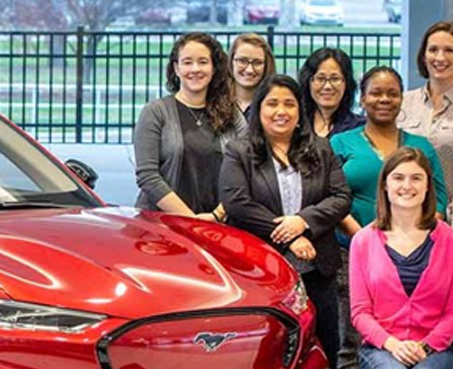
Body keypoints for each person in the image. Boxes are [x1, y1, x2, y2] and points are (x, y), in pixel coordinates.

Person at [221, 75, 351, 367]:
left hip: (317, 265)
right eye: (272, 104)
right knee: (268, 347)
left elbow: (341, 197)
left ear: (299, 111)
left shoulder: (320, 148)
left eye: (289, 104)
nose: (281, 111)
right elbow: (237, 203)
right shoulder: (240, 151)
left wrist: (303, 222)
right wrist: (290, 235)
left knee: (325, 343)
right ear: (259, 109)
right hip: (261, 267)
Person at [331, 66, 451, 369]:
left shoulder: (420, 144)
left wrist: (415, 235)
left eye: (392, 93)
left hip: (416, 252)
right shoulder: (340, 143)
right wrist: (366, 238)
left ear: (401, 99)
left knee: (412, 329)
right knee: (352, 340)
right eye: (376, 92)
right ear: (362, 97)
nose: (384, 99)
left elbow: (440, 196)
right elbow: (330, 196)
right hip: (351, 250)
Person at [350, 147, 453, 369]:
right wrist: (393, 344)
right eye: (398, 178)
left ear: (427, 186)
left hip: (435, 349)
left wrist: (425, 346)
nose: (407, 186)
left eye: (416, 178)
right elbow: (360, 313)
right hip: (381, 349)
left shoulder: (451, 241)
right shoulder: (363, 241)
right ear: (385, 185)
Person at [133, 32, 244, 222]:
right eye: (187, 62)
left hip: (218, 224)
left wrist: (217, 215)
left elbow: (246, 170)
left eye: (202, 62)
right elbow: (148, 176)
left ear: (214, 68)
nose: (195, 69)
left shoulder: (232, 115)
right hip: (160, 225)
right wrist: (191, 220)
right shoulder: (155, 112)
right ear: (176, 68)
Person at [400, 21, 453, 208]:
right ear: (423, 56)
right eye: (433, 50)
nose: (440, 57)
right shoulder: (404, 102)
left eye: (449, 50)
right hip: (406, 211)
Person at [299, 47, 364, 138]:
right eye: (320, 79)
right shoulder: (296, 125)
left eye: (335, 79)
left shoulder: (359, 128)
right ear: (308, 82)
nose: (327, 86)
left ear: (347, 83)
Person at [230, 32, 276, 114]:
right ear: (231, 61)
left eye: (257, 62)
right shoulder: (215, 102)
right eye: (242, 61)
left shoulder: (275, 104)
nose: (249, 70)